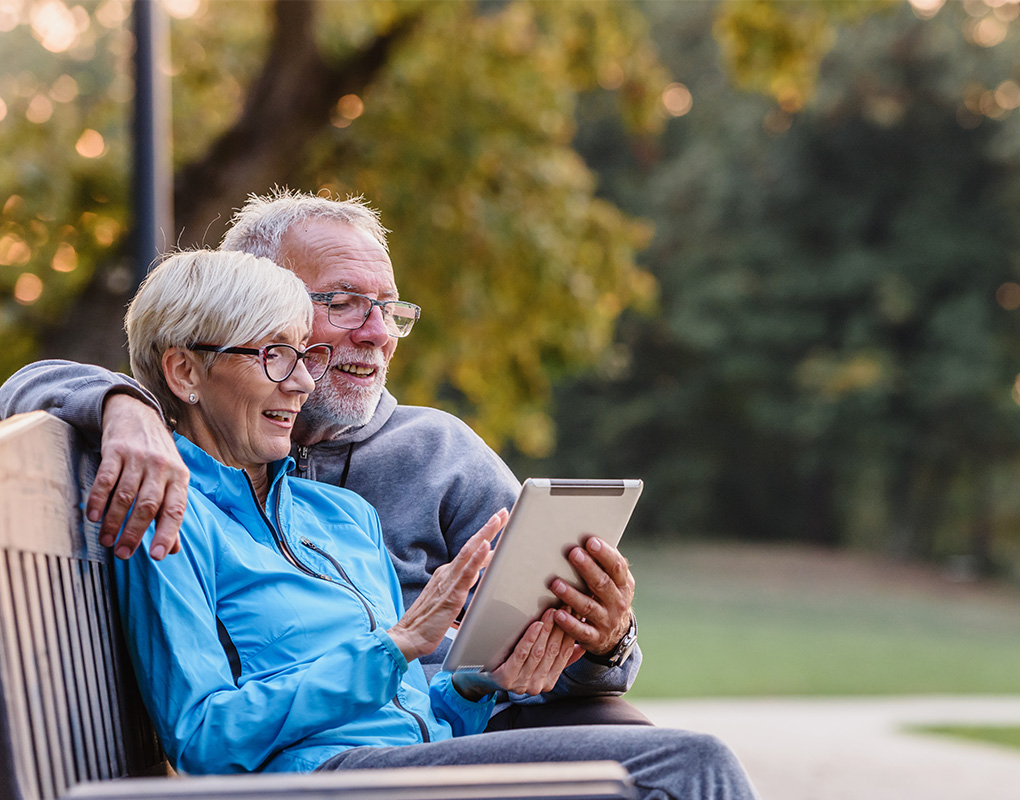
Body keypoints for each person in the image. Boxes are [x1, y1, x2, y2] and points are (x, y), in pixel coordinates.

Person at [113, 248, 758, 800]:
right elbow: (202, 737)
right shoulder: (169, 517)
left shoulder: (341, 518)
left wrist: (482, 685)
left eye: (305, 357)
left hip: (402, 772)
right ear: (185, 372)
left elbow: (410, 715)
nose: (303, 384)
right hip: (320, 783)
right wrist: (397, 646)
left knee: (679, 760)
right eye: (275, 358)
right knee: (684, 768)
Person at [0, 189, 645, 729]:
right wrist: (123, 404)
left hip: (458, 731)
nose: (378, 332)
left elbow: (549, 658)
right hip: (346, 764)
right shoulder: (177, 475)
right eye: (342, 304)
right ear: (255, 299)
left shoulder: (434, 454)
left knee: (648, 746)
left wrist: (606, 643)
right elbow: (26, 391)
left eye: (389, 309)